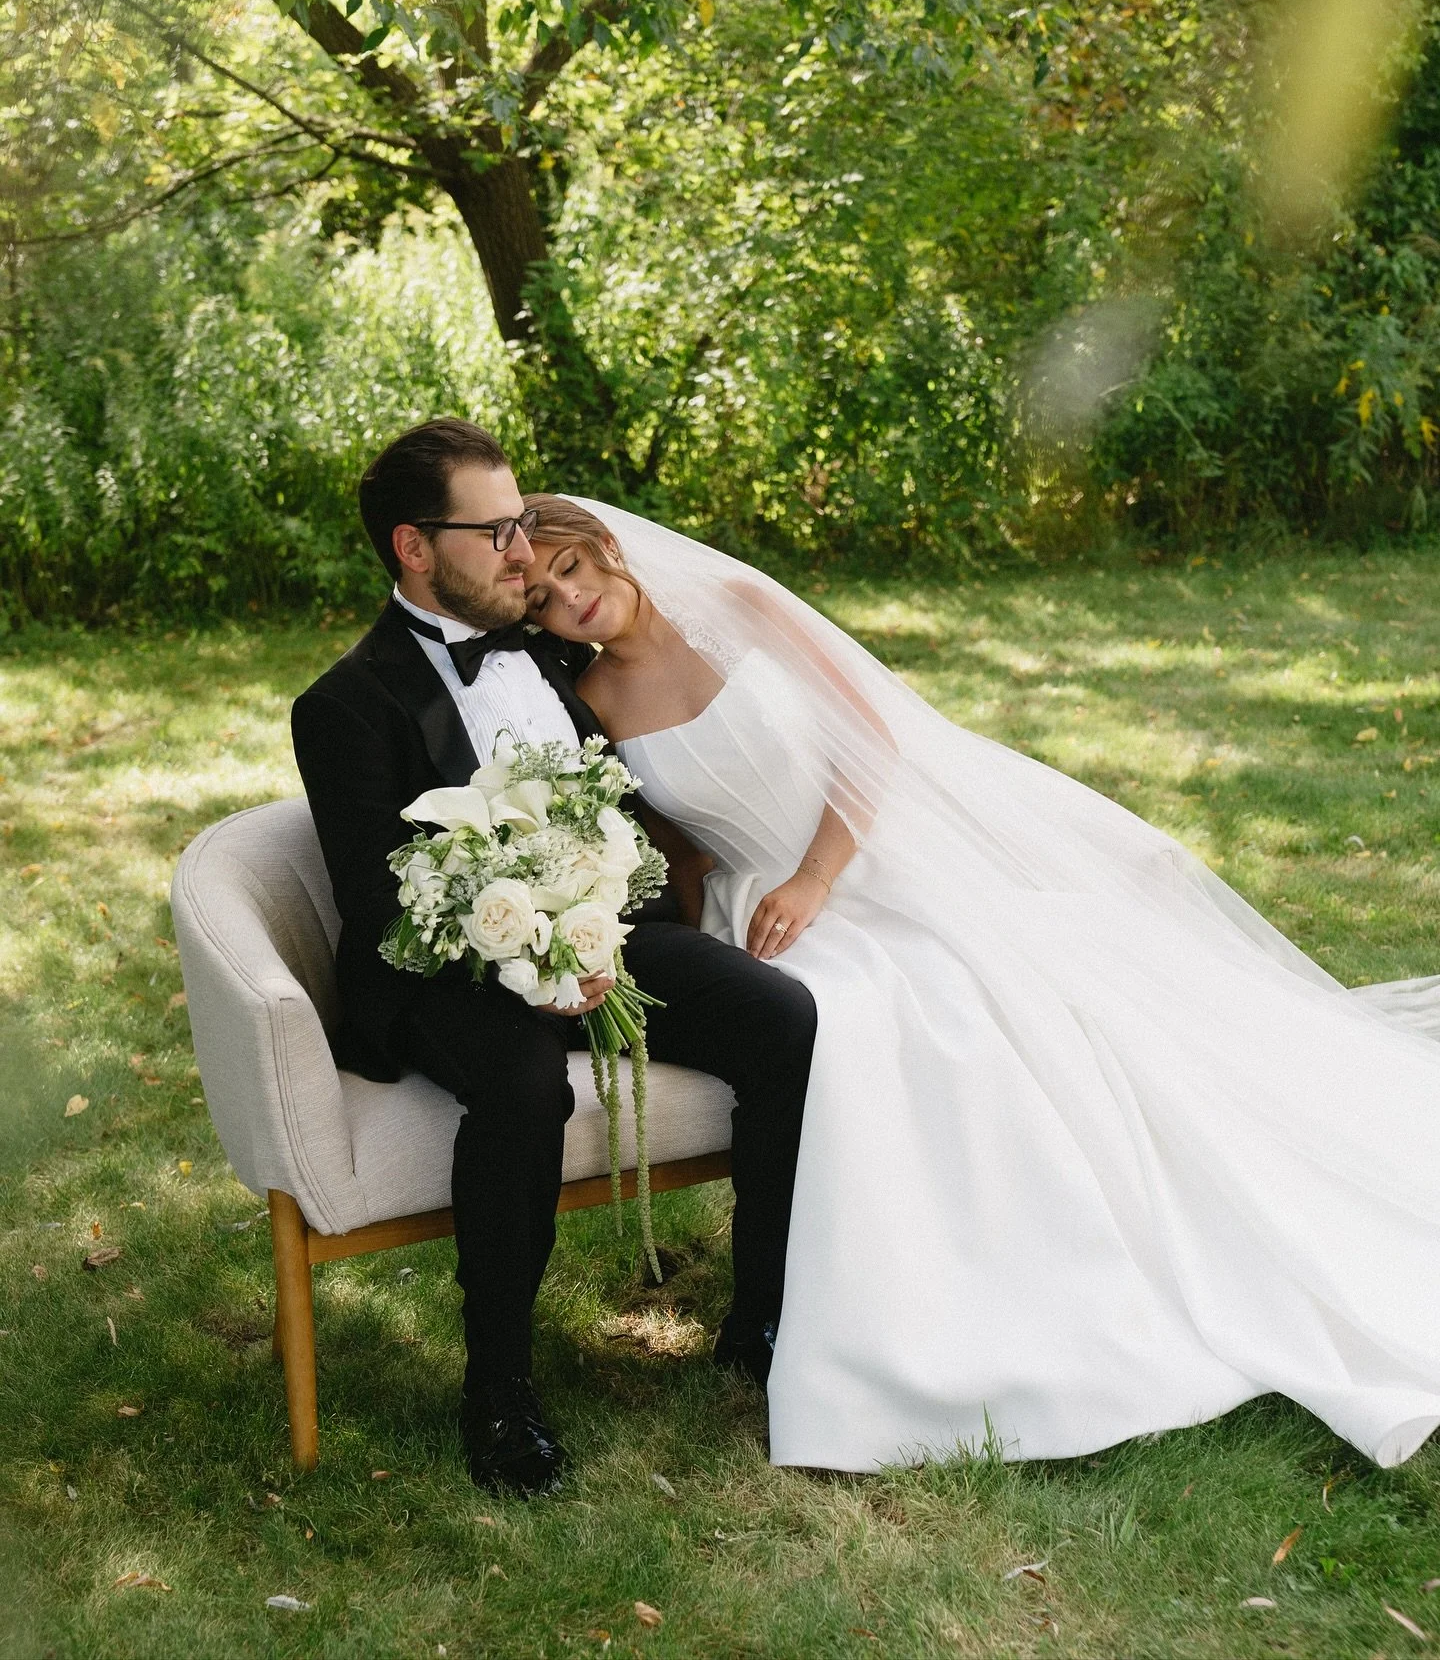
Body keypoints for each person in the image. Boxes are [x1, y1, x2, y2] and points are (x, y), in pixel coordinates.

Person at [520, 491, 1440, 1473]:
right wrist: (717, 936)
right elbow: (682, 851)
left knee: (962, 994)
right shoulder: (600, 707)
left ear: (608, 548)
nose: (566, 599)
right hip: (762, 908)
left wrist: (817, 876)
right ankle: (854, 1296)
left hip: (857, 858)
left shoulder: (741, 608)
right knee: (847, 1016)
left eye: (571, 570)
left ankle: (1047, 1264)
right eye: (538, 598)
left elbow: (866, 735)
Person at [290, 421, 816, 1495]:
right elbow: (386, 903)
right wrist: (531, 965)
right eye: (495, 531)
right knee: (525, 1083)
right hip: (443, 970)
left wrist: (609, 918)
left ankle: (761, 1318)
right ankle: (499, 1391)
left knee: (783, 1018)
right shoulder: (346, 705)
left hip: (612, 931)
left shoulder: (548, 649)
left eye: (522, 520)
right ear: (414, 547)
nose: (524, 550)